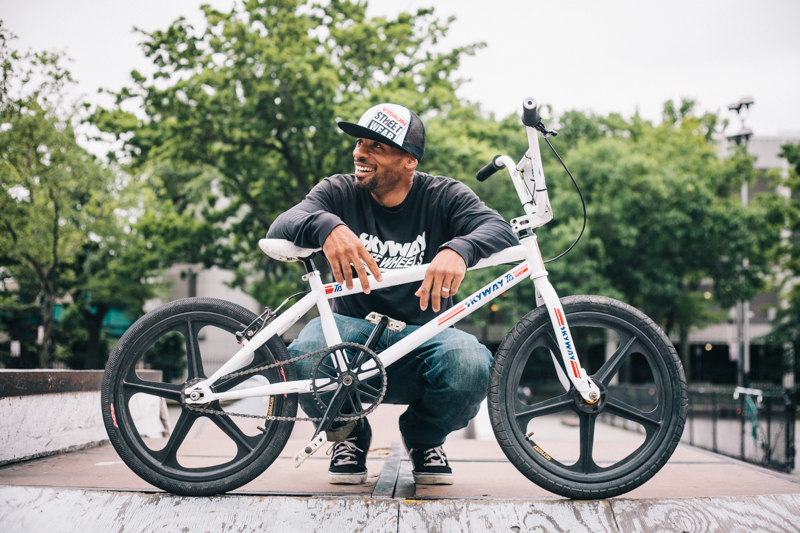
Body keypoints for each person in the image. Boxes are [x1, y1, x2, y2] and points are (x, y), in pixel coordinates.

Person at [266, 103, 518, 485]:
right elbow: (282, 224)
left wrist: (459, 249)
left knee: (471, 363)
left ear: (408, 161)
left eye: (376, 147)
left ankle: (423, 439)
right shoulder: (337, 192)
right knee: (306, 351)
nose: (359, 153)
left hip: (425, 340)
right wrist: (325, 226)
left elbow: (499, 229)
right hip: (352, 336)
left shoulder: (443, 195)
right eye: (359, 143)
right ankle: (348, 435)